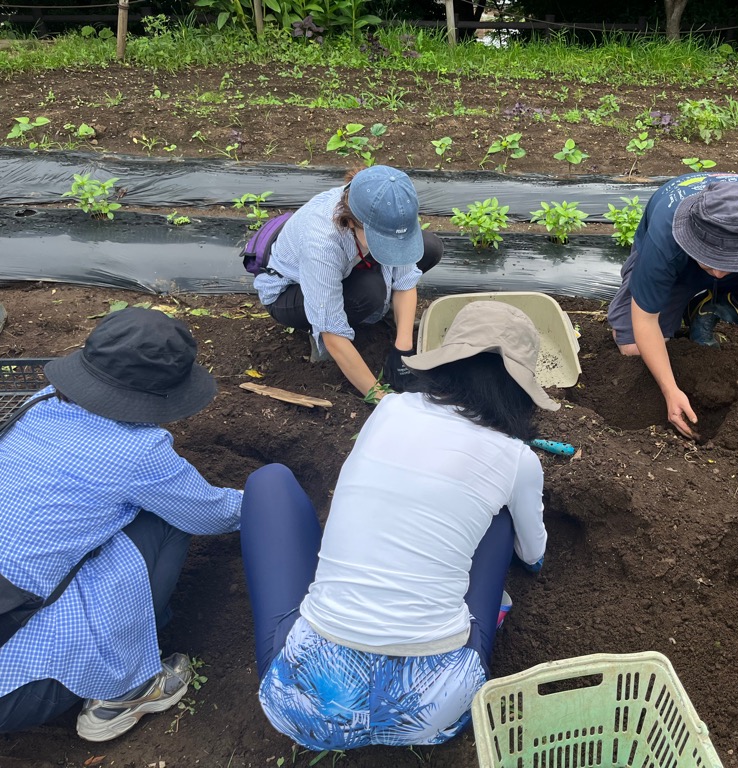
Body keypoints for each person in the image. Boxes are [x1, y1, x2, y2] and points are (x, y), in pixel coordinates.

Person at [239, 301, 554, 750]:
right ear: (521, 390)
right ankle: (488, 615)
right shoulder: (517, 458)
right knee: (501, 517)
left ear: (445, 363)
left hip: (306, 705)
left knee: (269, 482)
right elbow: (533, 554)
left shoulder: (390, 410)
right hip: (430, 711)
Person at [0, 307, 243, 742]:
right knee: (164, 520)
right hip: (15, 688)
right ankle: (127, 690)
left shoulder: (38, 404)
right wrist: (264, 500)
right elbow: (210, 514)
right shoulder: (138, 450)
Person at [606, 172, 738, 437]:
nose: (716, 274)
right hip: (681, 266)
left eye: (724, 265)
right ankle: (686, 291)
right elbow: (645, 319)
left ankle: (710, 306)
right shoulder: (666, 233)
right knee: (633, 346)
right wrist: (670, 391)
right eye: (710, 262)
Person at [254, 165, 443, 401]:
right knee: (369, 293)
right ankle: (315, 337)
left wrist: (403, 349)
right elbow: (332, 331)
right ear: (352, 222)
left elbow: (405, 278)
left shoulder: (388, 207)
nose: (392, 245)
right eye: (383, 241)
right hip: (290, 293)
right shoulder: (321, 244)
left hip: (348, 264)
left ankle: (385, 314)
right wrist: (381, 399)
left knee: (429, 247)